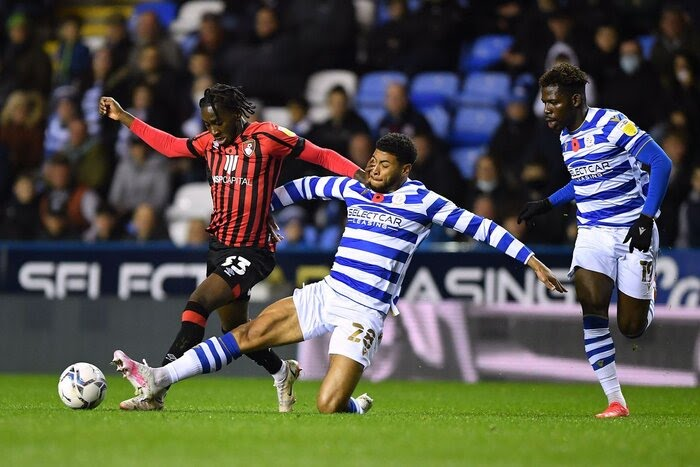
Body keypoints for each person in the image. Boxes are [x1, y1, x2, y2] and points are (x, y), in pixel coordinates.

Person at [112, 133, 566, 414]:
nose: (372, 168)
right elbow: (302, 187)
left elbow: (482, 227)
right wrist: (260, 212)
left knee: (328, 405)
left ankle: (355, 406)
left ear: (405, 170)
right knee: (248, 335)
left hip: (364, 312)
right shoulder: (354, 186)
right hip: (328, 293)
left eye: (383, 165)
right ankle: (159, 379)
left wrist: (533, 261)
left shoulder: (424, 202)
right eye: (372, 160)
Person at [99, 83, 365, 412]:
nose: (214, 131)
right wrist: (125, 117)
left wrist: (358, 174)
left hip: (253, 250)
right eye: (208, 124)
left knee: (198, 303)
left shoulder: (267, 137)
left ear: (236, 115)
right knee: (238, 331)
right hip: (219, 247)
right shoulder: (209, 144)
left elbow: (319, 154)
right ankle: (283, 372)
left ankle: (158, 382)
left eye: (219, 123)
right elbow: (170, 146)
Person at [517, 63, 672, 418]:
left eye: (553, 103)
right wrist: (547, 203)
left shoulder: (612, 123)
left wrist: (647, 218)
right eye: (544, 103)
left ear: (575, 99)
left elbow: (661, 163)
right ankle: (615, 400)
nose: (547, 110)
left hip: (635, 229)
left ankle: (647, 295)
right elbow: (584, 180)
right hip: (592, 232)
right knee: (591, 303)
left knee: (631, 328)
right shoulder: (565, 137)